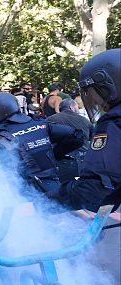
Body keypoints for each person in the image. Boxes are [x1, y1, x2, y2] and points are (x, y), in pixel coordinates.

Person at [49, 48, 121, 211]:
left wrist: (45, 203)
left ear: (108, 84)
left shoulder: (114, 123)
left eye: (92, 91)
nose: (93, 99)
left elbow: (94, 188)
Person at [0, 91, 82, 195]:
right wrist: (56, 153)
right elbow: (77, 136)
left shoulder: (0, 133)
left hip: (25, 189)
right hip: (53, 182)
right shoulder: (39, 123)